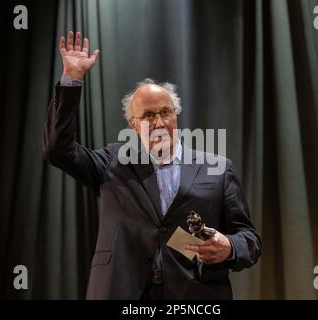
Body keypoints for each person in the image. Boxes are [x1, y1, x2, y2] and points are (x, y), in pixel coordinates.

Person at [43, 31, 262, 299]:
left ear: (176, 114)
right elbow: (58, 150)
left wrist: (229, 246)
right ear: (133, 126)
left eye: (165, 112)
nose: (159, 123)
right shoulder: (114, 161)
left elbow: (250, 239)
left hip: (195, 295)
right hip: (124, 292)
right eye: (148, 116)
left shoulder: (216, 168)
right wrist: (72, 80)